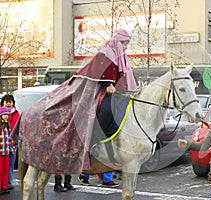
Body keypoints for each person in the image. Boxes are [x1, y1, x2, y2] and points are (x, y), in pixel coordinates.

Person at [11, 28, 137, 175]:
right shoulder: (105, 53)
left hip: (115, 93)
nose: (126, 48)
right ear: (118, 42)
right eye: (125, 44)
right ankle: (96, 140)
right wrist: (108, 84)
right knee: (107, 109)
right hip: (98, 91)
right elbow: (98, 71)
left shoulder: (121, 57)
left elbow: (124, 75)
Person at [0, 94, 20, 190]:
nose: (8, 103)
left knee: (10, 165)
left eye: (10, 101)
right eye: (6, 101)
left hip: (11, 145)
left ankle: (8, 183)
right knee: (1, 167)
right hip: (2, 147)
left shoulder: (17, 114)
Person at [0, 106, 15, 195]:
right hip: (0, 152)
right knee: (0, 170)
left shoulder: (7, 127)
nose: (6, 116)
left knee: (6, 169)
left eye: (7, 114)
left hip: (6, 152)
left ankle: (5, 187)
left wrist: (12, 150)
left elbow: (9, 140)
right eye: (4, 114)